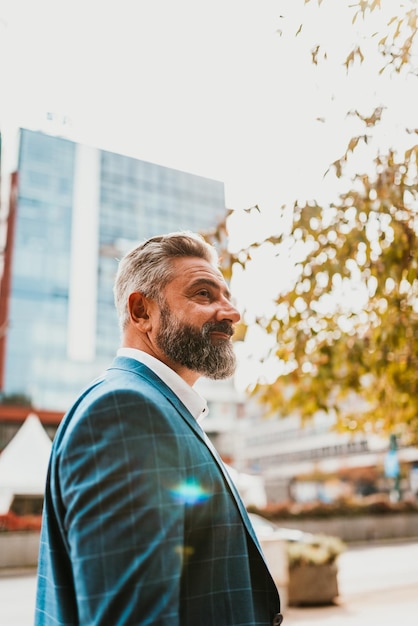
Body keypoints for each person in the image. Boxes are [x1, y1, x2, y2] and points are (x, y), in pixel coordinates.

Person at [34, 231, 283, 626]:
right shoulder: (126, 412)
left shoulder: (157, 408)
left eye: (227, 297)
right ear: (141, 312)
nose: (231, 313)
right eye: (204, 294)